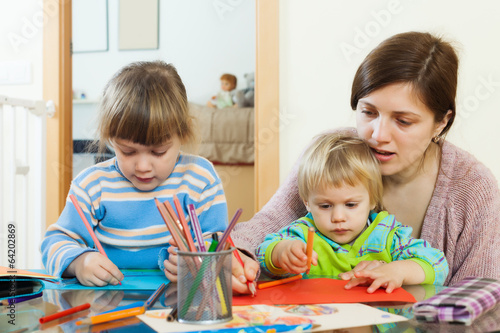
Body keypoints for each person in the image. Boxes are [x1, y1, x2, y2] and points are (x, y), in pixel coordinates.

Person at [228, 31, 500, 293]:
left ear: (441, 123)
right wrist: (238, 258)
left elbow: (483, 299)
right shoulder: (330, 153)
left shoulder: (473, 187)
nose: (378, 135)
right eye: (368, 112)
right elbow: (269, 223)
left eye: (403, 121)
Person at [40, 61, 228, 286]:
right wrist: (79, 262)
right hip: (107, 305)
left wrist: (197, 262)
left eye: (158, 151)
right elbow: (55, 242)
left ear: (183, 134)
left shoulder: (200, 177)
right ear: (111, 140)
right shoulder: (93, 184)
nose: (142, 166)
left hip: (180, 306)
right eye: (127, 151)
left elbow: (220, 243)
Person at [256, 134, 449, 293]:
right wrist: (280, 253)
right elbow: (262, 252)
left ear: (372, 199)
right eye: (325, 206)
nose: (338, 217)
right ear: (307, 202)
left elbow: (438, 264)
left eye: (350, 204)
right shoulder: (302, 235)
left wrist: (398, 270)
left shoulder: (387, 235)